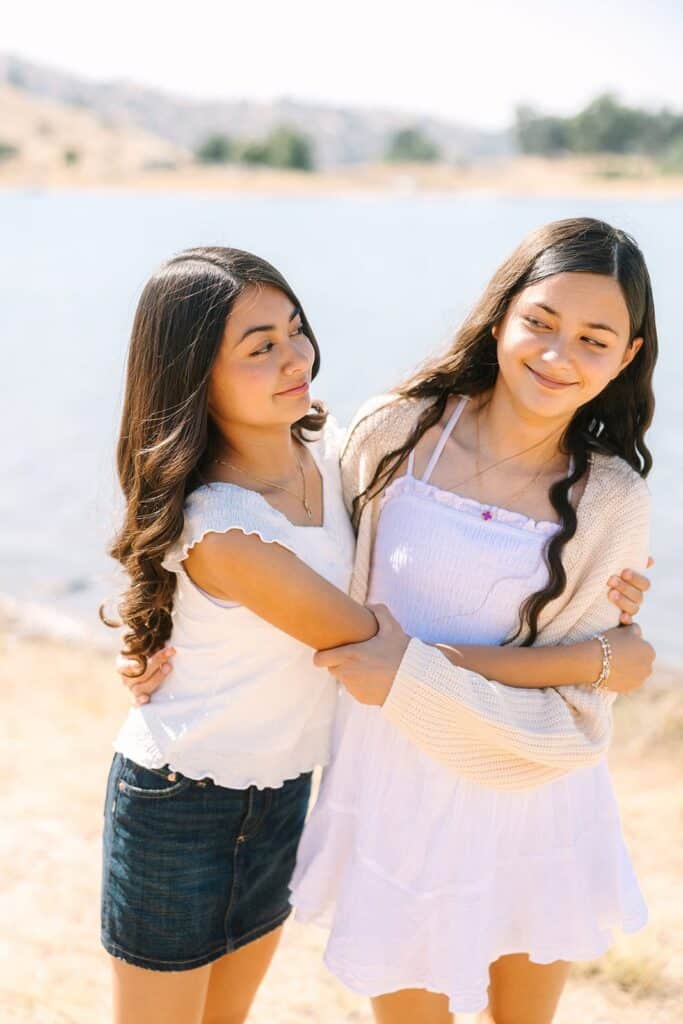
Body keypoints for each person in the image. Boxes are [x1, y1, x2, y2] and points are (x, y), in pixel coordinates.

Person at [111, 226, 654, 1024]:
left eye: (592, 338)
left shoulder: (607, 498)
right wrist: (602, 657)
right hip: (369, 787)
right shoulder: (396, 435)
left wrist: (606, 653)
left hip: (521, 787)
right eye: (539, 320)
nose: (557, 352)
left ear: (627, 354)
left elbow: (579, 682)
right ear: (500, 315)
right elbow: (335, 610)